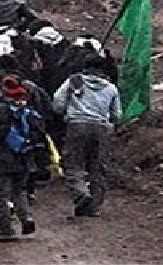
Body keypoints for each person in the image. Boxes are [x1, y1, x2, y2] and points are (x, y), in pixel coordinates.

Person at [52, 55, 121, 217]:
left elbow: (58, 102)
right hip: (101, 128)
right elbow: (117, 114)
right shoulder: (111, 88)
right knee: (97, 167)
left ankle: (81, 193)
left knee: (73, 164)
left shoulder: (74, 81)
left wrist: (65, 114)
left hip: (76, 125)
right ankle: (94, 206)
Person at [0, 75, 44, 240]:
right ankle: (26, 217)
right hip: (24, 155)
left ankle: (6, 229)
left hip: (1, 158)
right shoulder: (28, 111)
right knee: (19, 190)